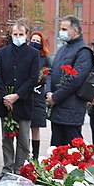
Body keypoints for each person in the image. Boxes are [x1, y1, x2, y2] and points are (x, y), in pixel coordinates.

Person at [0, 19, 40, 180]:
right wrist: (5, 96)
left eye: (21, 34)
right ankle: (7, 168)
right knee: (7, 138)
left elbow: (33, 77)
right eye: (15, 34)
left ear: (27, 35)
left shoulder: (33, 54)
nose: (18, 36)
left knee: (23, 139)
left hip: (23, 101)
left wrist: (17, 95)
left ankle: (19, 167)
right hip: (5, 101)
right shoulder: (3, 53)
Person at [46, 15, 94, 146]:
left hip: (72, 109)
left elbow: (76, 79)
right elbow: (51, 72)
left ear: (75, 31)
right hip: (57, 107)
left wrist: (55, 97)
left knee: (74, 150)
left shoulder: (83, 51)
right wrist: (49, 93)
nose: (61, 32)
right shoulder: (62, 49)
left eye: (64, 29)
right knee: (56, 148)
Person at [29, 31, 53, 159]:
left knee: (35, 126)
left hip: (38, 95)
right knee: (23, 126)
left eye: (38, 41)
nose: (35, 43)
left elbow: (49, 75)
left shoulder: (45, 59)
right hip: (26, 94)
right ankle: (24, 154)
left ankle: (35, 155)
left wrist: (41, 80)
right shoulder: (26, 55)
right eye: (33, 40)